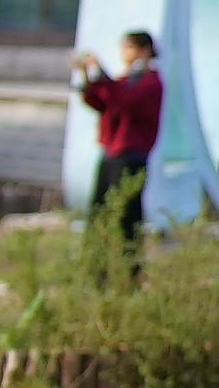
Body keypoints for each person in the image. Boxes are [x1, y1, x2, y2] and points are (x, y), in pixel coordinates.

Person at [70, 30, 164, 268]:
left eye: (130, 48)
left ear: (145, 50)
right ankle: (97, 269)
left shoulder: (151, 82)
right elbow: (102, 102)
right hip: (111, 154)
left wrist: (100, 71)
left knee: (127, 216)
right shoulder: (125, 80)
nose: (126, 54)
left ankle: (128, 271)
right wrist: (85, 74)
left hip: (131, 157)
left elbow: (125, 100)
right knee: (100, 213)